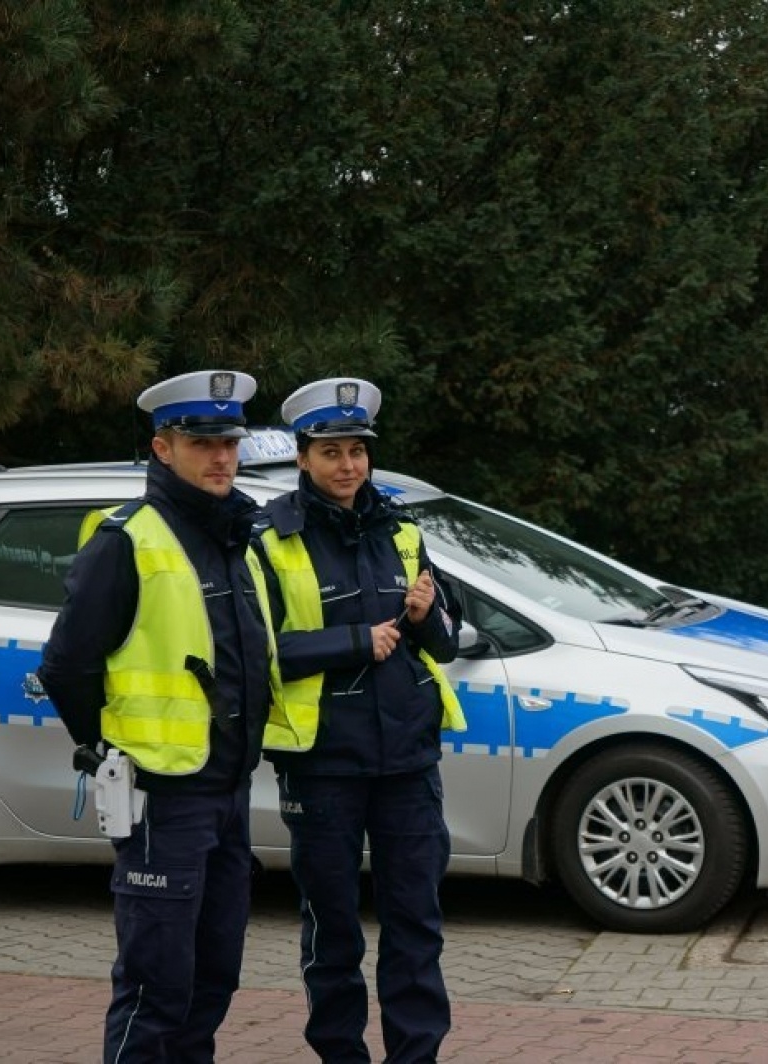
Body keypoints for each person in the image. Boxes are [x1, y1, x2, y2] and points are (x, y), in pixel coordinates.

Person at [38, 369, 272, 1064]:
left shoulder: (236, 534)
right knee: (155, 986)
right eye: (203, 443)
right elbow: (67, 665)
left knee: (212, 978)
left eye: (229, 441)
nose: (222, 456)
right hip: (161, 797)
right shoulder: (127, 539)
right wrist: (111, 750)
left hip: (226, 791)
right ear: (162, 449)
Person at [256, 377, 466, 1064]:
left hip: (408, 762)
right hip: (322, 766)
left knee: (415, 927)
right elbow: (254, 650)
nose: (348, 466)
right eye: (331, 453)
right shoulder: (271, 538)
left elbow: (444, 639)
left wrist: (422, 616)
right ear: (303, 458)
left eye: (357, 452)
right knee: (334, 932)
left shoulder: (400, 529)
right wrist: (351, 642)